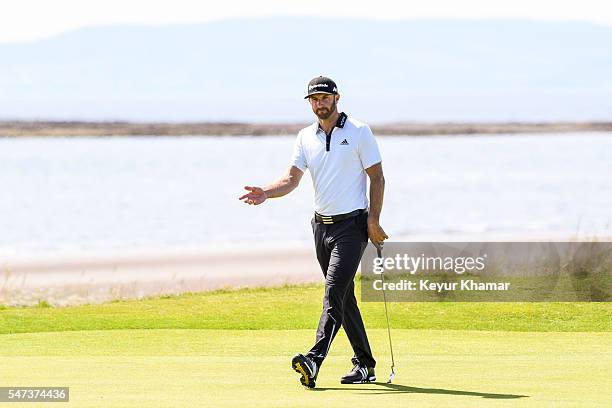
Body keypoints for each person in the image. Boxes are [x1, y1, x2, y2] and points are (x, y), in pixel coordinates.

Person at [239, 75, 387, 388]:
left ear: (337, 98)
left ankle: (314, 359)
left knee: (333, 291)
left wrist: (373, 220)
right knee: (344, 297)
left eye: (324, 98)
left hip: (352, 226)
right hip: (321, 227)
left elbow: (378, 178)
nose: (320, 103)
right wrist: (266, 191)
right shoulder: (306, 136)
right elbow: (291, 179)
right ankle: (365, 365)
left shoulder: (359, 131)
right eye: (314, 99)